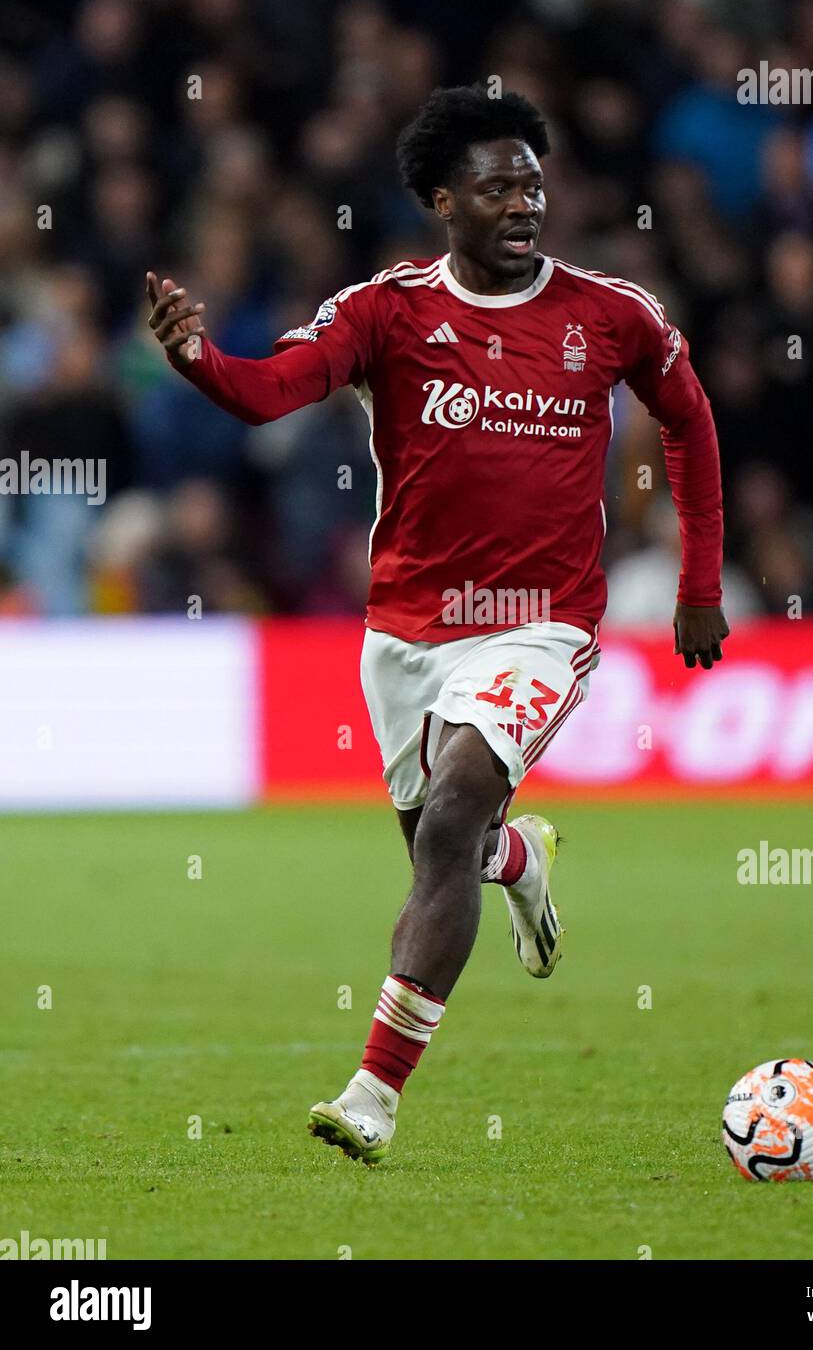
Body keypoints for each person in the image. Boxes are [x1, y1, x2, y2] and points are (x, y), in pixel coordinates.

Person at [146, 83, 729, 1164]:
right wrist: (200, 364)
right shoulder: (385, 312)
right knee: (441, 852)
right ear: (440, 200)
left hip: (538, 625)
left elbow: (686, 418)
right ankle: (522, 860)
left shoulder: (610, 314)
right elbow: (276, 388)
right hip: (406, 632)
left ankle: (374, 1088)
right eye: (497, 185)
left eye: (533, 184)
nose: (523, 203)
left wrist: (699, 581)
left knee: (455, 805)